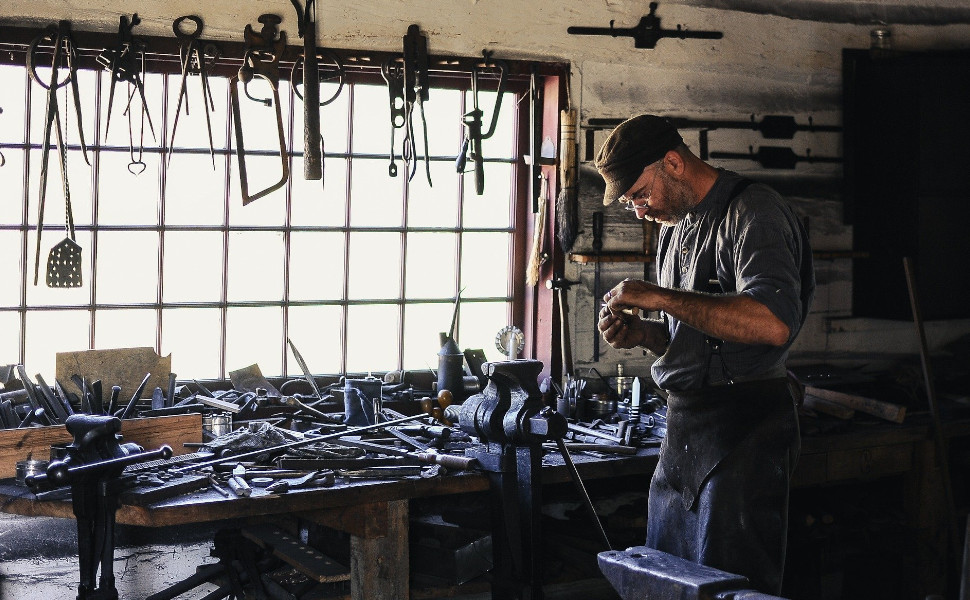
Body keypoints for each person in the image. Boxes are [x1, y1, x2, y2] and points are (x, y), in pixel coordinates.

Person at [594, 114, 815, 594]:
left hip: (745, 431)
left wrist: (661, 296)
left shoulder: (752, 212)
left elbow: (771, 323)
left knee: (728, 588)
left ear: (673, 162)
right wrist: (644, 334)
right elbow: (695, 337)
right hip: (685, 433)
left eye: (639, 194)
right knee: (667, 583)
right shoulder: (676, 229)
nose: (638, 211)